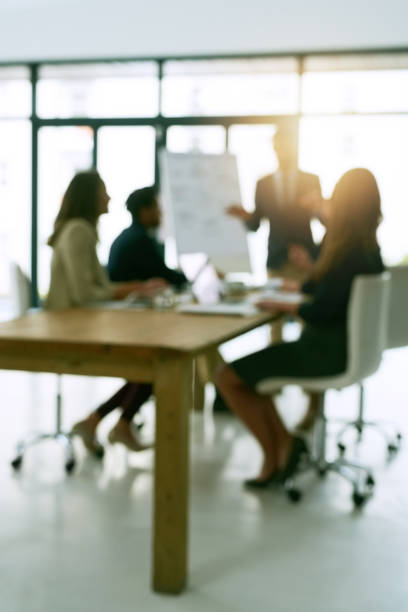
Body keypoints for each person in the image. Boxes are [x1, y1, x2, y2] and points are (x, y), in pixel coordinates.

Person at [216, 168, 384, 487]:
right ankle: (284, 445)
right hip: (344, 349)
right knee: (254, 377)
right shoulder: (367, 250)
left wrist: (284, 303)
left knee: (228, 376)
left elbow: (321, 310)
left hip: (322, 352)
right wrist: (305, 283)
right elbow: (335, 293)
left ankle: (275, 452)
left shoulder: (347, 251)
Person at [46, 170, 167, 456]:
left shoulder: (82, 230)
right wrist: (132, 291)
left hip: (78, 320)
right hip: (72, 326)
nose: (110, 197)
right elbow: (84, 295)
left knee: (153, 358)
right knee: (155, 359)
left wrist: (133, 289)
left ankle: (99, 421)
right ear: (91, 197)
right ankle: (116, 424)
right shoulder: (79, 231)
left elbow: (96, 287)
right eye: (104, 191)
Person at [226, 123, 323, 342]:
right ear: (273, 148)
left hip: (306, 258)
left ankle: (305, 368)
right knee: (273, 323)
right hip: (276, 259)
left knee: (306, 318)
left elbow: (322, 218)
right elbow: (255, 225)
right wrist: (244, 216)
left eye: (287, 146)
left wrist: (321, 206)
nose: (282, 151)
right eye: (278, 146)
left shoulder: (311, 180)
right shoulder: (263, 183)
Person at [107, 186, 187, 288]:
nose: (160, 212)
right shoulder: (139, 240)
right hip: (128, 301)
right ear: (144, 211)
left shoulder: (129, 235)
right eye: (157, 207)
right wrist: (189, 279)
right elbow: (163, 274)